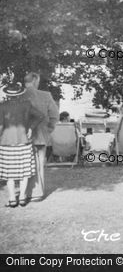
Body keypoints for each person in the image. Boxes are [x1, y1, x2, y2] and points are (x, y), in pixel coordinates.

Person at [0, 83, 46, 207]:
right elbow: (41, 116)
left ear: (7, 94)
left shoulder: (2, 106)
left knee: (9, 173)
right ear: (20, 94)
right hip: (24, 142)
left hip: (6, 143)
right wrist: (31, 127)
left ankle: (11, 199)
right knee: (24, 171)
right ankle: (22, 198)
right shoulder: (26, 104)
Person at [21, 72, 58, 202]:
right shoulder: (46, 96)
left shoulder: (18, 96)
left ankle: (24, 193)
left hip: (21, 136)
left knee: (23, 165)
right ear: (36, 81)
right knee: (38, 164)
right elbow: (54, 115)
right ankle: (37, 193)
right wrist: (49, 129)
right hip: (41, 134)